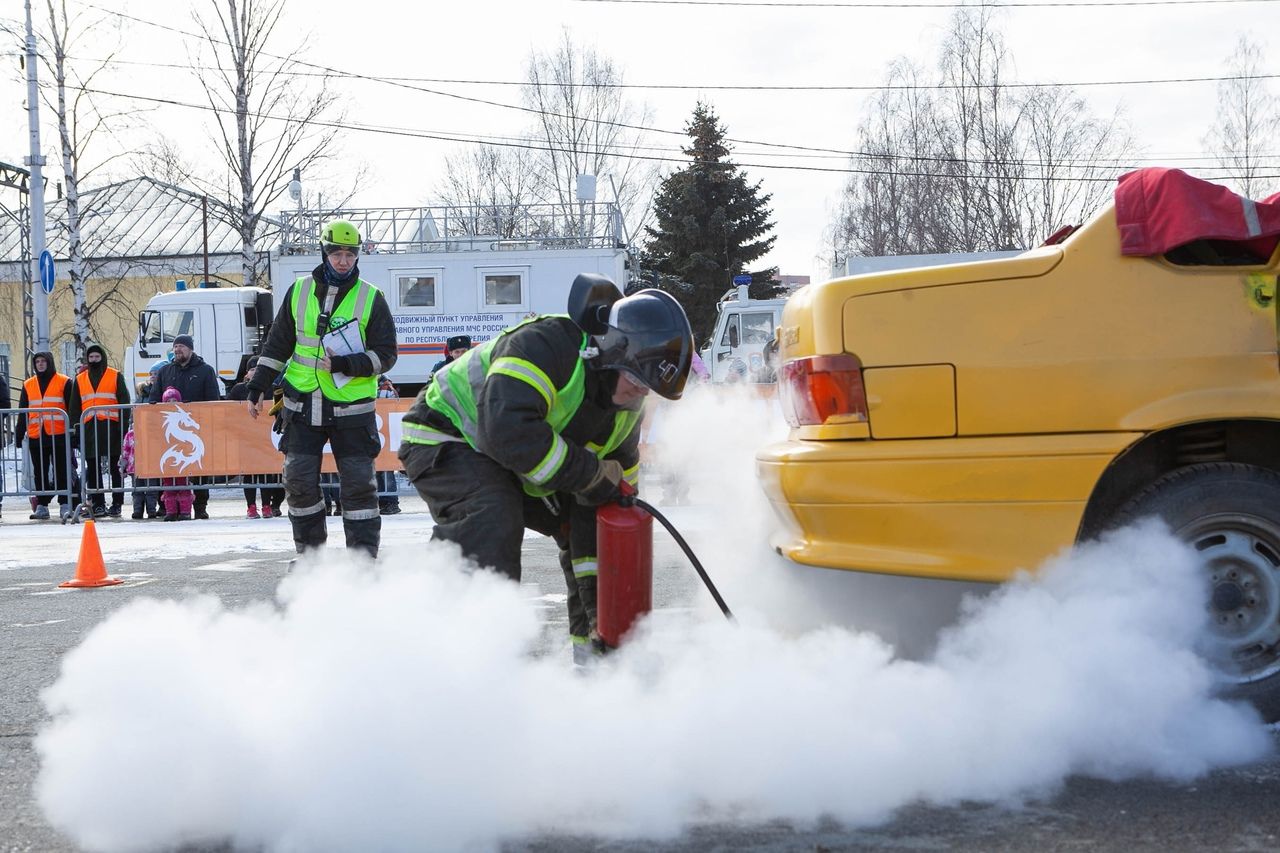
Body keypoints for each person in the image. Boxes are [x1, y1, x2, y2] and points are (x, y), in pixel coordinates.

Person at [398, 282, 693, 662]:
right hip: (447, 433)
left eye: (647, 388)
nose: (638, 394)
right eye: (636, 379)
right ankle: (465, 659)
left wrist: (607, 631)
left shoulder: (624, 419)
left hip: (512, 461)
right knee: (493, 515)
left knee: (583, 529)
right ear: (613, 352)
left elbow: (609, 521)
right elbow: (506, 433)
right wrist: (589, 475)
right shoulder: (545, 345)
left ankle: (592, 659)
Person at [244, 218, 398, 557]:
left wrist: (347, 365)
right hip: (302, 406)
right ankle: (310, 559)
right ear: (324, 253)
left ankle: (362, 563)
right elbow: (277, 345)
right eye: (336, 253)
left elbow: (387, 356)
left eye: (350, 253)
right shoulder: (298, 291)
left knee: (359, 489)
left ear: (358, 256)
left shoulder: (372, 298)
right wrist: (257, 388)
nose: (343, 260)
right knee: (298, 484)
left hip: (352, 410)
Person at [149, 334, 219, 518]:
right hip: (170, 433)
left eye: (181, 346)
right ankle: (169, 507)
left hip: (197, 430)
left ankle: (200, 507)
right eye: (175, 347)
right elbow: (154, 399)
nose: (177, 350)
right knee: (169, 468)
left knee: (199, 469)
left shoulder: (206, 370)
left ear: (190, 349)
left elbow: (213, 400)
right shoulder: (165, 372)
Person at [67, 343, 131, 518]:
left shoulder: (114, 375)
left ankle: (117, 503)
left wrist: (123, 428)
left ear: (102, 357)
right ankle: (98, 503)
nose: (94, 360)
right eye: (91, 357)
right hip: (88, 428)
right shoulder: (80, 379)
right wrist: (75, 429)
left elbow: (124, 401)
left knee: (114, 467)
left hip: (111, 427)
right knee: (93, 467)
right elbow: (74, 407)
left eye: (97, 357)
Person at [14, 352, 73, 520]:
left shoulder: (64, 381)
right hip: (36, 434)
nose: (40, 364)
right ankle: (42, 505)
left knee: (62, 470)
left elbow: (72, 409)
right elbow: (23, 411)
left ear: (50, 362)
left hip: (59, 433)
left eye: (43, 361)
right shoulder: (28, 384)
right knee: (39, 471)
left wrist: (74, 433)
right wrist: (19, 433)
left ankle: (64, 503)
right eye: (37, 361)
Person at [228, 356, 285, 518]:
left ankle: (267, 505)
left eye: (258, 370)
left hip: (265, 438)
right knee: (249, 474)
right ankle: (251, 506)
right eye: (253, 370)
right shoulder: (239, 390)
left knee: (266, 473)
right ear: (247, 374)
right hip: (246, 438)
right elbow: (228, 410)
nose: (255, 373)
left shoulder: (271, 388)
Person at [158, 386, 195, 521]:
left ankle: (185, 511)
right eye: (168, 401)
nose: (171, 403)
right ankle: (171, 511)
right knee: (168, 486)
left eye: (174, 400)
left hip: (182, 456)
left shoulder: (184, 416)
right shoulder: (160, 418)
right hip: (167, 458)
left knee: (183, 485)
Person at [119, 415, 159, 520]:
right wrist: (123, 465)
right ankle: (137, 510)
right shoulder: (130, 435)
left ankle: (151, 511)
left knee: (151, 490)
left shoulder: (152, 433)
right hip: (134, 468)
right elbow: (125, 451)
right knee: (137, 490)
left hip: (151, 467)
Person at [376, 375, 401, 515]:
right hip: (371, 432)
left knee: (385, 469)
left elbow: (394, 402)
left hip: (385, 433)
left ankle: (390, 502)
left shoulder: (385, 384)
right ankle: (380, 501)